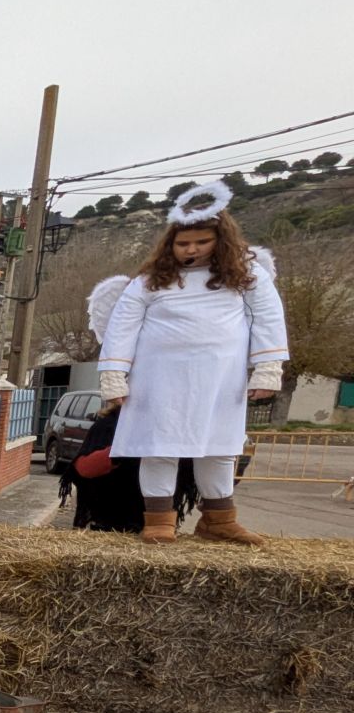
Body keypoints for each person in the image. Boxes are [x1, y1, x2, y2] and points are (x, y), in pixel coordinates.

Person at [97, 180, 287, 545]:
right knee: (159, 448)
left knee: (218, 447)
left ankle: (219, 519)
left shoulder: (248, 274)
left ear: (221, 239)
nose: (192, 249)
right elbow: (122, 326)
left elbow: (268, 318)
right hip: (158, 378)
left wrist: (267, 368)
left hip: (221, 377)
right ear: (170, 244)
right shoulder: (150, 280)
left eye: (201, 242)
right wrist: (114, 376)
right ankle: (158, 520)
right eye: (183, 243)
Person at [58, 404, 197, 534]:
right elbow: (83, 468)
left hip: (159, 525)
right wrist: (120, 450)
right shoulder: (109, 424)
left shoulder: (177, 429)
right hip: (110, 523)